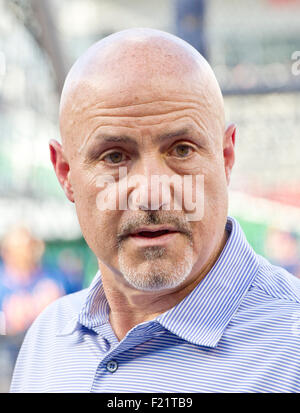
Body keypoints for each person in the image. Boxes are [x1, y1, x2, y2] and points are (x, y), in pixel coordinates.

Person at [10, 28, 300, 393]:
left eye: (181, 150)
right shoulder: (49, 339)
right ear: (65, 173)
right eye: (114, 156)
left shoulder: (291, 348)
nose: (151, 193)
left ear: (226, 158)